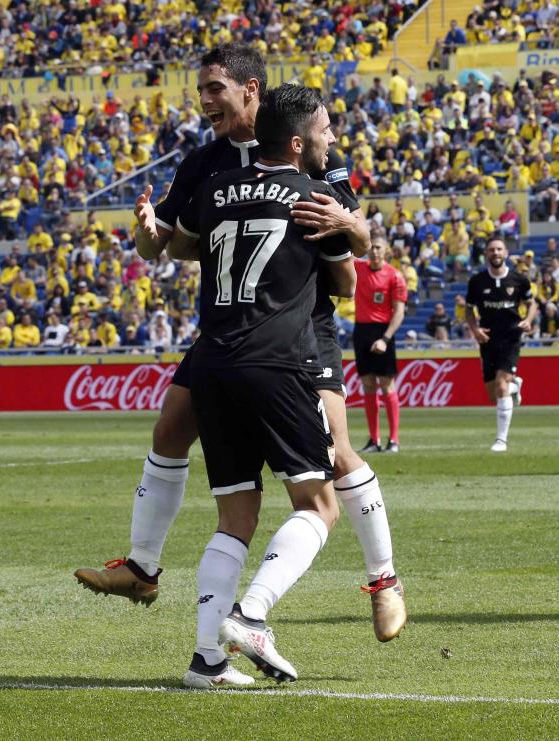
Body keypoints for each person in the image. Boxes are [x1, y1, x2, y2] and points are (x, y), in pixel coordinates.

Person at [75, 43, 405, 646]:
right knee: (170, 429)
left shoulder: (308, 149)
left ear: (250, 91)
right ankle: (143, 568)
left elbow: (354, 235)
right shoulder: (205, 164)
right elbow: (169, 245)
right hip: (229, 326)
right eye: (201, 91)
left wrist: (355, 228)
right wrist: (148, 236)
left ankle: (383, 580)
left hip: (302, 324)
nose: (204, 102)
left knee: (333, 454)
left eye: (214, 90)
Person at [165, 84, 354, 687]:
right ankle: (251, 615)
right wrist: (351, 224)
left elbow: (181, 241)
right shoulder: (313, 197)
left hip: (212, 366)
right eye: (324, 131)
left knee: (233, 519)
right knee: (320, 505)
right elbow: (347, 284)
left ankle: (206, 662)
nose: (331, 140)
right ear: (297, 142)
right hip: (277, 363)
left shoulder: (216, 188)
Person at [465, 239, 536, 452]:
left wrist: (528, 320)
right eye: (491, 249)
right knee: (493, 394)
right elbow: (469, 310)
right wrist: (475, 329)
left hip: (511, 337)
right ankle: (516, 385)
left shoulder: (519, 279)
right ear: (486, 253)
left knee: (500, 386)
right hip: (487, 339)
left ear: (506, 252)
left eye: (499, 249)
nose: (495, 252)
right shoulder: (477, 281)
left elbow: (532, 303)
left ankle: (501, 440)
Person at [353, 238, 406, 453]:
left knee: (386, 384)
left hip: (384, 330)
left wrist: (385, 339)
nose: (373, 251)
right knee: (367, 385)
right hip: (361, 330)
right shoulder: (358, 268)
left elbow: (399, 312)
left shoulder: (395, 275)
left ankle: (393, 440)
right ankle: (373, 440)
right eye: (371, 247)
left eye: (378, 248)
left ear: (387, 251)